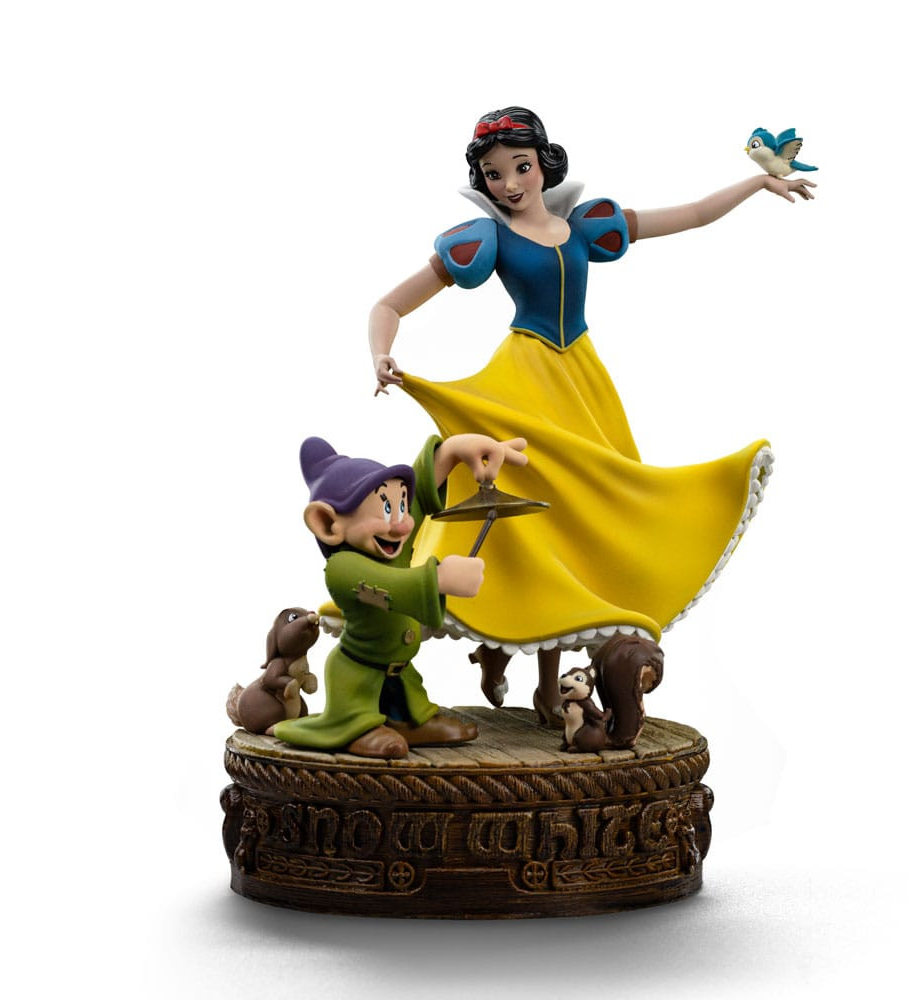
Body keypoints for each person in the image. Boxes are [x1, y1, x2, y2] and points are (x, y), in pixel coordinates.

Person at [368, 107, 814, 723]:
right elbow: (389, 304)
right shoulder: (486, 239)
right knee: (531, 522)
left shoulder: (585, 226)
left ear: (543, 164)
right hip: (525, 378)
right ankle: (498, 652)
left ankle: (544, 683)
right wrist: (382, 354)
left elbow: (688, 215)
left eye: (521, 167)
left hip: (580, 382)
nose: (510, 183)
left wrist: (758, 183)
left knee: (587, 515)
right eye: (494, 174)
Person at [273, 431, 526, 758]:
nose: (403, 525)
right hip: (357, 673)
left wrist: (453, 450)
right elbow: (390, 587)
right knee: (362, 716)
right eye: (386, 509)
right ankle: (358, 727)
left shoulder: (395, 542)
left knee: (407, 696)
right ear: (328, 524)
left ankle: (405, 721)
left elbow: (422, 488)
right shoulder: (343, 569)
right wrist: (438, 578)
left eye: (402, 506)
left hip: (400, 670)